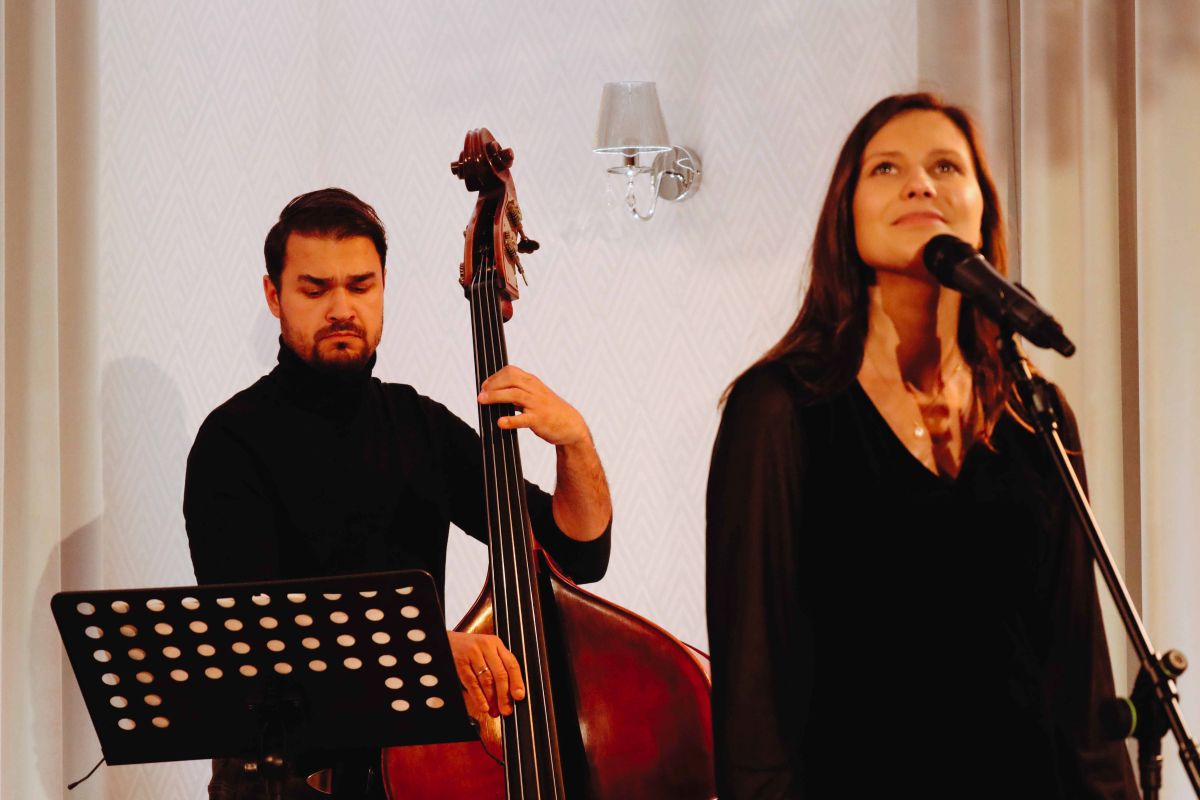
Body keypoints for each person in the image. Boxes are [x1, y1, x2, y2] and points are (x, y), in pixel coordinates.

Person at [705, 94, 1137, 798]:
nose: (920, 185)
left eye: (945, 166)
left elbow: (1081, 678)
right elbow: (753, 694)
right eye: (887, 168)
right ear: (845, 215)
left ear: (982, 211)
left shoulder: (1035, 413)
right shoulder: (779, 408)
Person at [184, 188, 612, 799]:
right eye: (315, 289)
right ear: (274, 297)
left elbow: (576, 553)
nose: (341, 308)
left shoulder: (420, 426)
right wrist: (428, 651)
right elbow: (256, 632)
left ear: (382, 288)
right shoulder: (231, 442)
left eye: (360, 286)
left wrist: (576, 443)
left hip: (409, 774)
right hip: (283, 780)